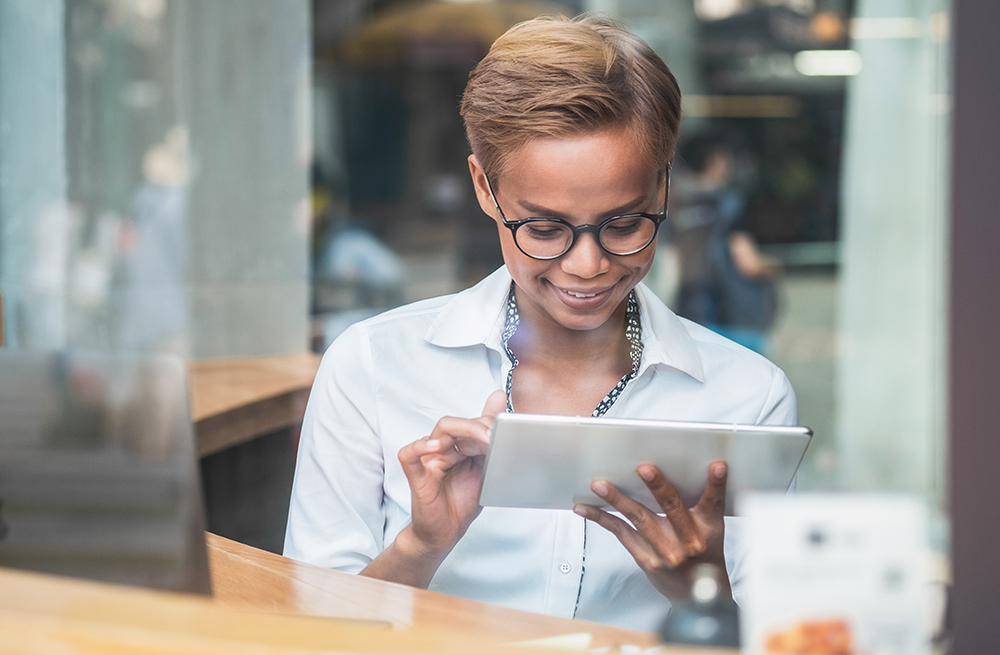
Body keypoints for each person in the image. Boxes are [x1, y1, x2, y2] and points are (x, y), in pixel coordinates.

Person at [284, 15, 797, 632]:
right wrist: (419, 548)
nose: (588, 266)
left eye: (625, 224)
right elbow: (308, 635)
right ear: (483, 186)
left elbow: (781, 637)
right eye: (545, 229)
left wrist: (701, 598)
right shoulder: (371, 365)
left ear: (664, 186)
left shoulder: (748, 397)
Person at [672, 135, 782, 355]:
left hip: (688, 313)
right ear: (714, 161)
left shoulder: (675, 204)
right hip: (732, 315)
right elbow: (748, 264)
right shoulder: (730, 205)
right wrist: (774, 267)